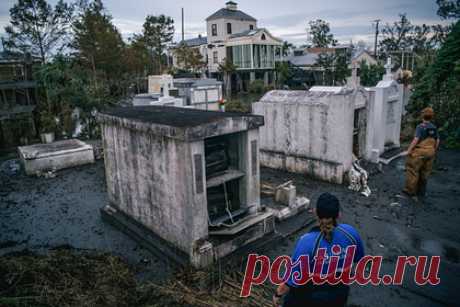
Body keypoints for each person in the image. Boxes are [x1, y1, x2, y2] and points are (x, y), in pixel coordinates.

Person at [273, 193, 364, 307]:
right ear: (338, 215)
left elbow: (292, 279)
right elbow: (358, 260)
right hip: (339, 295)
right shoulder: (351, 233)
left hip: (310, 297)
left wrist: (277, 294)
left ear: (315, 213)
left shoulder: (307, 242)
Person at [403, 107, 440, 198]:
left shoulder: (420, 127)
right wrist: (434, 150)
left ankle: (410, 190)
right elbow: (437, 140)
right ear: (432, 117)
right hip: (431, 152)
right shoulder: (433, 127)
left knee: (412, 170)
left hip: (420, 152)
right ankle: (421, 191)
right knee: (425, 172)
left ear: (422, 116)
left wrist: (409, 150)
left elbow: (416, 139)